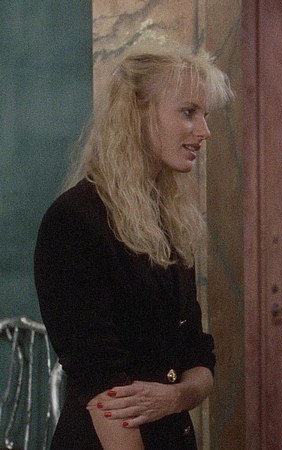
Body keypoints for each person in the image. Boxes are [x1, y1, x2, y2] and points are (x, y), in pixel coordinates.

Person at [34, 44, 233, 449]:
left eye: (205, 115)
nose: (204, 131)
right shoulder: (75, 220)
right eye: (188, 112)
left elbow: (200, 359)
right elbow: (101, 384)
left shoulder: (169, 219)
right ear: (137, 113)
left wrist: (176, 397)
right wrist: (180, 393)